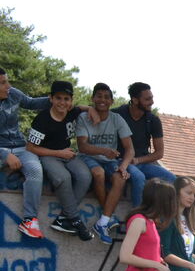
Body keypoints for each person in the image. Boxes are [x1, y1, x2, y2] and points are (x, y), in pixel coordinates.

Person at [0, 68, 66, 238]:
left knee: (36, 171)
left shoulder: (13, 94)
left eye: (7, 81)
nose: (9, 85)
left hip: (21, 147)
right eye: (3, 83)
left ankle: (29, 221)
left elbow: (31, 103)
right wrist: (5, 155)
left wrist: (58, 101)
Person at [76, 83, 144, 243]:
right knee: (98, 173)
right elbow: (82, 146)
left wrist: (123, 166)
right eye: (99, 96)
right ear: (92, 98)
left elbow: (130, 149)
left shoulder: (117, 119)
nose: (102, 100)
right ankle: (109, 216)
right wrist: (104, 151)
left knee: (120, 178)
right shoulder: (83, 118)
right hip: (89, 157)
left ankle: (103, 222)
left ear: (112, 101)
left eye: (107, 97)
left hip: (110, 159)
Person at [25, 81, 93, 240]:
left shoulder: (72, 112)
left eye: (66, 99)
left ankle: (63, 218)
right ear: (51, 98)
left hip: (66, 154)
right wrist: (59, 153)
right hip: (48, 154)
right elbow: (31, 147)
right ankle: (75, 220)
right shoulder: (42, 119)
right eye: (59, 98)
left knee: (85, 176)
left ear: (71, 100)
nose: (62, 102)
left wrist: (91, 110)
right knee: (63, 178)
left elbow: (82, 108)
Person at [113, 82, 175, 185]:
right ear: (135, 100)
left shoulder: (153, 120)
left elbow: (159, 153)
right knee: (139, 178)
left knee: (173, 179)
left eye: (151, 98)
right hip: (120, 161)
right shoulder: (117, 114)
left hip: (142, 164)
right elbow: (95, 110)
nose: (152, 102)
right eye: (147, 99)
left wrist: (138, 160)